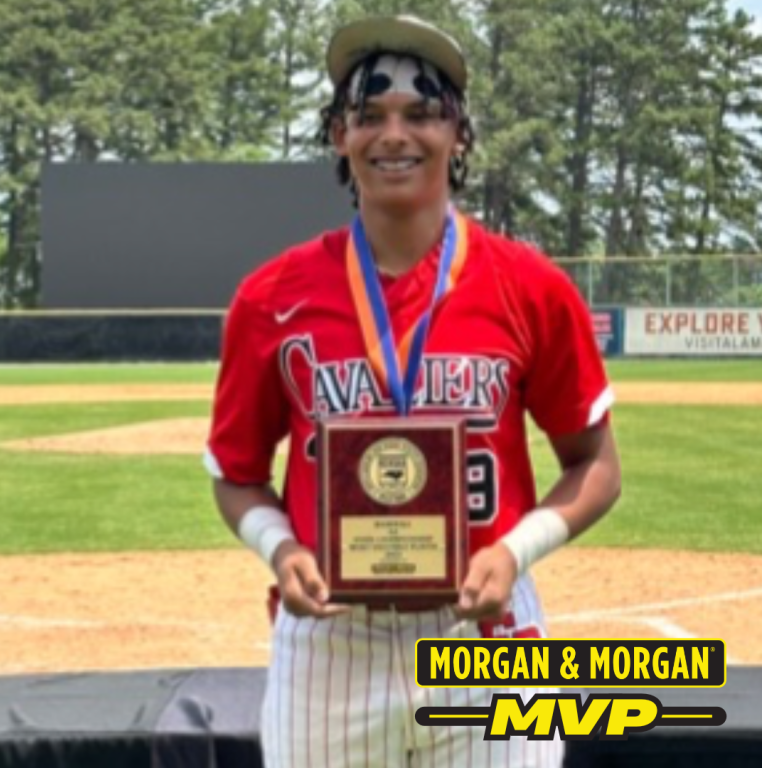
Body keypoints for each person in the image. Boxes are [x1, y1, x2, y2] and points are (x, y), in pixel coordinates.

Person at [204, 14, 621, 768]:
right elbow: (236, 473)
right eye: (370, 115)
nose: (394, 134)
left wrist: (516, 551)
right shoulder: (271, 298)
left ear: (459, 132)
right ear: (340, 135)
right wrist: (281, 547)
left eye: (421, 113)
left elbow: (596, 464)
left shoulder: (530, 285)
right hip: (331, 642)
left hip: (487, 637)